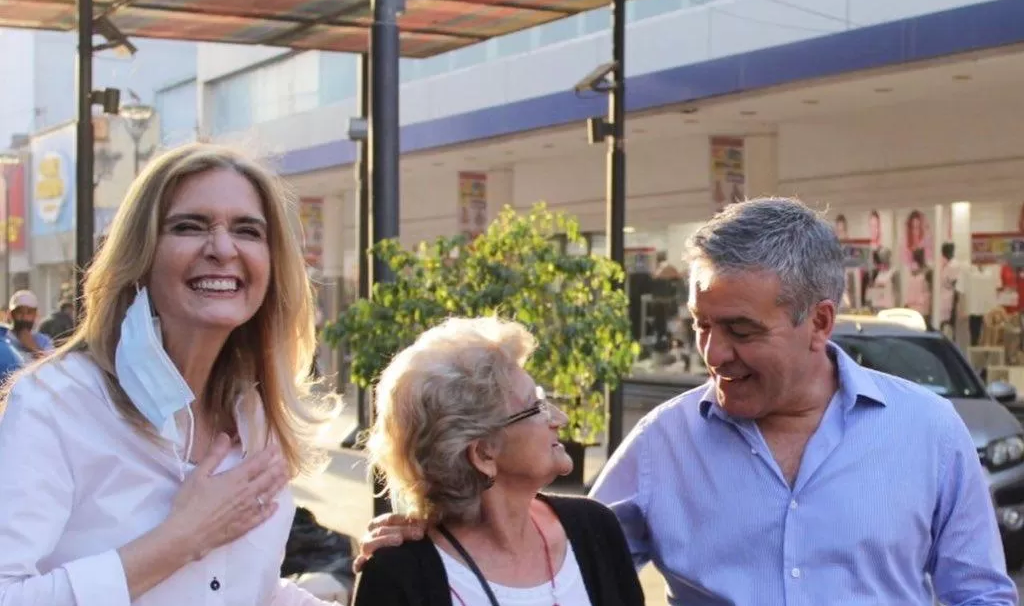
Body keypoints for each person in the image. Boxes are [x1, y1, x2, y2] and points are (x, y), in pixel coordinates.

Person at [359, 198, 1018, 606]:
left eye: (741, 330)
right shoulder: (663, 442)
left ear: (819, 322)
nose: (713, 352)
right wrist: (432, 526)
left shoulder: (928, 430)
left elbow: (980, 593)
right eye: (702, 325)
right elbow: (554, 551)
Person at [0, 145, 341, 605]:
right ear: (139, 256)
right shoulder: (56, 403)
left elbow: (249, 591)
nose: (222, 248)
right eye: (189, 226)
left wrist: (422, 567)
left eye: (247, 230)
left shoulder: (258, 417)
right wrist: (181, 539)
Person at [351, 317, 644, 606]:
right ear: (482, 454)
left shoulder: (595, 528)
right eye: (535, 406)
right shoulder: (398, 575)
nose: (559, 418)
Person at [6, 289, 55, 359]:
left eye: (29, 313)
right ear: (10, 315)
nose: (24, 317)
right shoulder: (3, 339)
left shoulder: (44, 341)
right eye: (20, 312)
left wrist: (33, 347)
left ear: (35, 315)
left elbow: (52, 365)